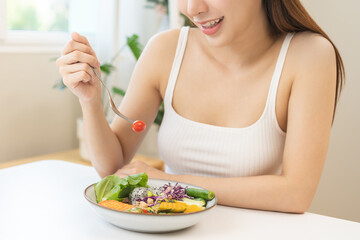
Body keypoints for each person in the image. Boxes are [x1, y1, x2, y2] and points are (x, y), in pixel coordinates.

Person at [56, 0, 344, 213]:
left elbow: (295, 194)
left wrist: (170, 182)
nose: (192, 8)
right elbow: (113, 166)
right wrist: (90, 100)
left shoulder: (309, 55)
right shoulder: (165, 49)